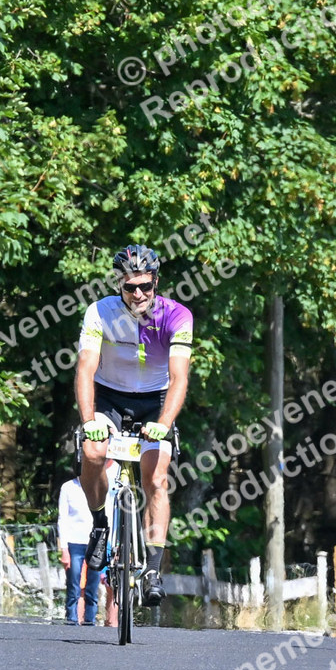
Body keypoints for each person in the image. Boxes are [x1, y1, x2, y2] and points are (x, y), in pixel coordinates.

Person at [75, 243, 193, 608]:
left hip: (155, 400)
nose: (138, 294)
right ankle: (100, 524)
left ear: (156, 281)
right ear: (119, 285)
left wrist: (164, 423)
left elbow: (179, 378)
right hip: (110, 396)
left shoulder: (178, 316)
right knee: (92, 452)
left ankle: (153, 569)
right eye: (130, 287)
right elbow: (85, 369)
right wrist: (88, 420)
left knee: (155, 477)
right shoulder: (100, 312)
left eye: (145, 285)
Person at [58, 459, 118, 624]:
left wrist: (110, 541)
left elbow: (108, 515)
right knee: (74, 582)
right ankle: (72, 617)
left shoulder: (99, 487)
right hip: (74, 542)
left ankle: (89, 619)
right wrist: (64, 549)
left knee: (93, 584)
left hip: (95, 541)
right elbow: (62, 519)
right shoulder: (68, 488)